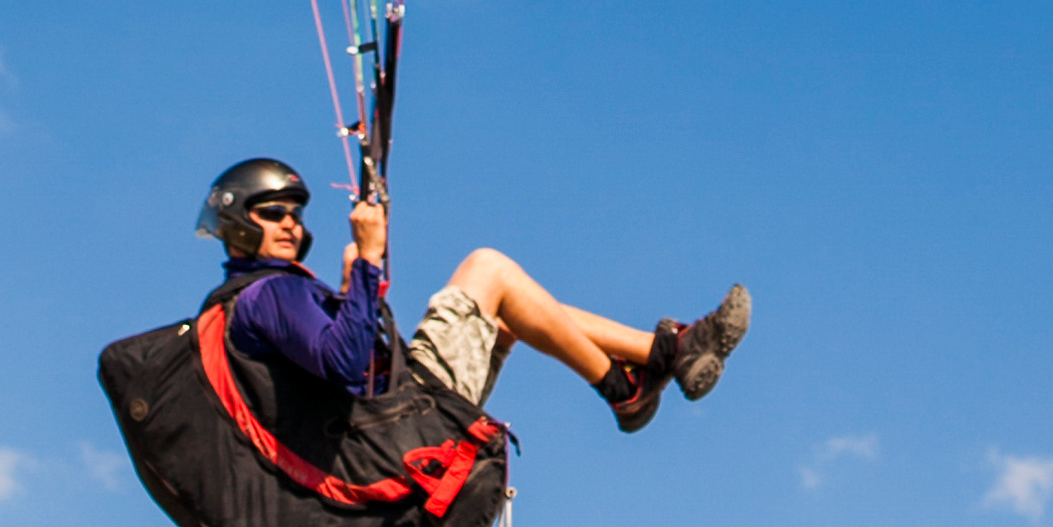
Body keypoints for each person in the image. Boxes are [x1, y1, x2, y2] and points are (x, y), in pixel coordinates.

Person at [198, 156, 750, 436]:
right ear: (235, 225)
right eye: (273, 215)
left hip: (392, 419)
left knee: (511, 314)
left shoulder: (270, 295)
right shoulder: (267, 292)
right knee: (488, 270)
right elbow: (344, 365)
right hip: (401, 420)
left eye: (295, 214)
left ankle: (642, 372)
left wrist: (351, 294)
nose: (290, 225)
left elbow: (343, 362)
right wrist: (366, 262)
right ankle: (647, 367)